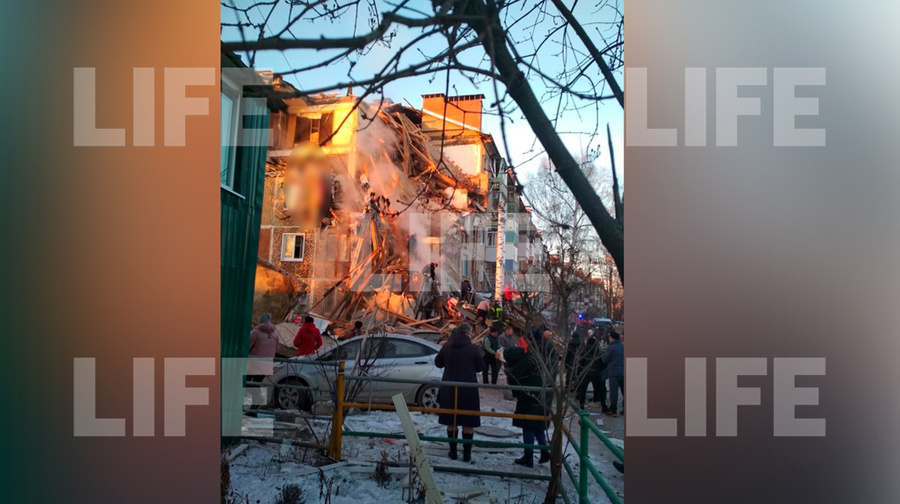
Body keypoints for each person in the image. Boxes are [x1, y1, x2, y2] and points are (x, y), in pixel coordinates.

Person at [434, 323, 484, 462]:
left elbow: (438, 363)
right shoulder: (473, 348)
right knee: (468, 421)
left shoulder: (447, 346)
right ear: (468, 333)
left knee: (452, 420)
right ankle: (467, 454)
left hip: (449, 387)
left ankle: (453, 451)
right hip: (468, 389)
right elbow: (480, 367)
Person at [503, 345, 550, 467]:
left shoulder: (525, 362)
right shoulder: (538, 357)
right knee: (537, 424)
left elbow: (513, 377)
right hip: (543, 396)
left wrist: (507, 367)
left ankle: (528, 456)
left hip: (529, 397)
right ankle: (544, 451)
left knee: (527, 425)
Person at [247, 313, 278, 409]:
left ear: (260, 321)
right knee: (257, 383)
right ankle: (254, 409)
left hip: (255, 363)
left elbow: (248, 347)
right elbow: (277, 349)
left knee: (247, 382)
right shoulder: (275, 334)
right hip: (268, 363)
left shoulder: (255, 333)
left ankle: (258, 399)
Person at [577, 330, 609, 412]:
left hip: (586, 372)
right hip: (596, 372)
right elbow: (602, 361)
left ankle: (581, 405)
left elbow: (581, 362)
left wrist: (579, 372)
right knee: (599, 388)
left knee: (583, 389)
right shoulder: (598, 350)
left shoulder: (584, 351)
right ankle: (603, 406)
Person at [603, 331, 625, 416]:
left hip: (613, 373)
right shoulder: (623, 347)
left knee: (614, 393)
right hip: (623, 372)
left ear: (612, 338)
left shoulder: (610, 348)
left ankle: (613, 410)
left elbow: (605, 360)